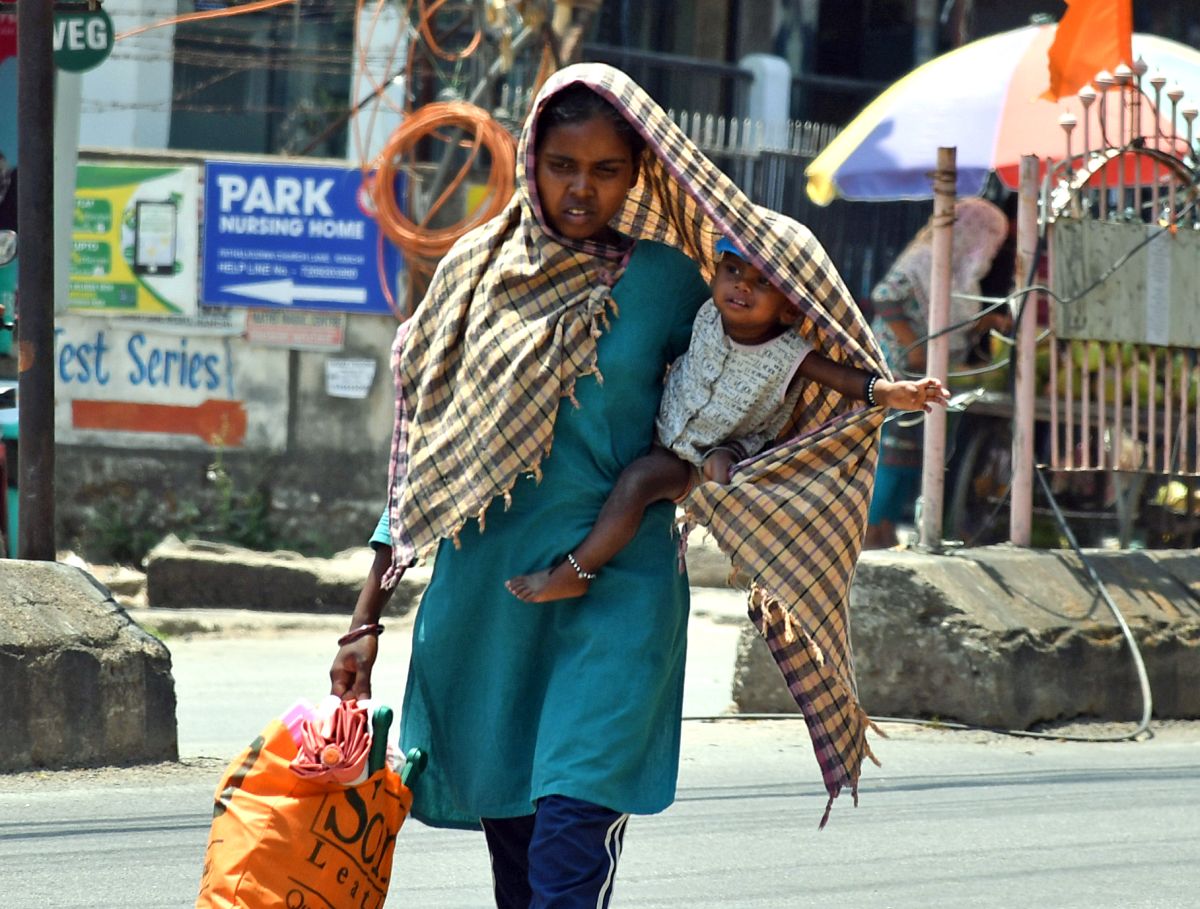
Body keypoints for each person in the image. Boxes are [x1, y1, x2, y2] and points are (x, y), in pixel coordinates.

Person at [330, 63, 892, 907]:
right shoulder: (474, 274)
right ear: (530, 160)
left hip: (617, 588)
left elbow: (762, 346)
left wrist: (718, 463)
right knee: (517, 852)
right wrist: (363, 620)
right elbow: (427, 458)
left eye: (606, 171)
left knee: (570, 829)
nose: (581, 190)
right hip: (492, 596)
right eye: (563, 166)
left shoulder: (669, 280)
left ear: (640, 176)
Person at [506, 234, 949, 603]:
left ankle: (576, 571)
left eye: (761, 283)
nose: (742, 287)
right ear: (715, 273)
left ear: (789, 309)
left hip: (711, 452)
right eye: (733, 271)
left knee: (652, 480)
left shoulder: (787, 352)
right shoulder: (704, 314)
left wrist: (892, 393)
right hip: (666, 428)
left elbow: (843, 379)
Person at [864, 196, 1010, 549]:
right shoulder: (927, 258)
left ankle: (883, 529)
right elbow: (885, 296)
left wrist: (983, 323)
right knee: (893, 450)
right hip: (896, 368)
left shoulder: (961, 274)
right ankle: (870, 529)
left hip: (926, 373)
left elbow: (949, 318)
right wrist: (912, 345)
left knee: (914, 453)